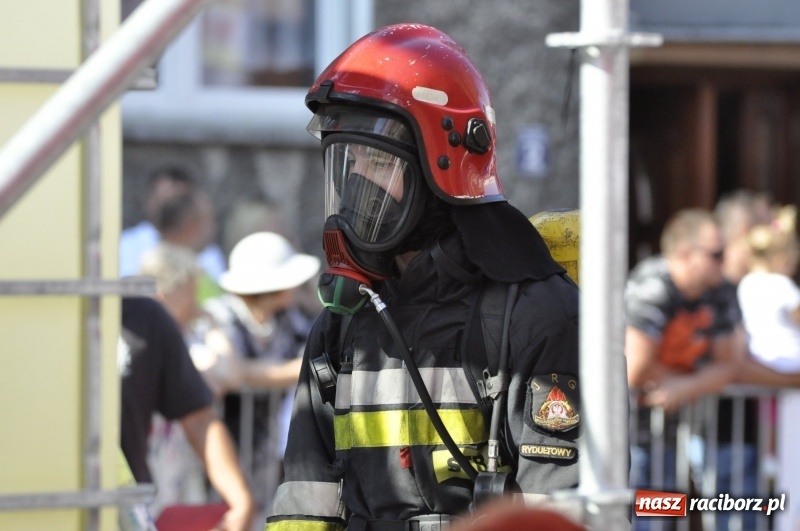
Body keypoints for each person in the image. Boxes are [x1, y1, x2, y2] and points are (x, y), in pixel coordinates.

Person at [266, 23, 584, 530]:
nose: (356, 184)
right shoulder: (344, 324)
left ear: (446, 165)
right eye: (348, 161)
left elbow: (561, 512)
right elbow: (304, 505)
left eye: (377, 159)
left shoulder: (539, 316)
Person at [625, 208, 741, 530]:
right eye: (716, 254)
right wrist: (699, 381)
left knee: (663, 520)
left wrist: (683, 388)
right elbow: (634, 369)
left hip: (674, 432)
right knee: (639, 523)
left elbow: (731, 365)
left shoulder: (719, 290)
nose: (725, 260)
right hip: (631, 433)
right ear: (686, 254)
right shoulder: (653, 285)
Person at [202, 231, 321, 522]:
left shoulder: (289, 318)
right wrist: (289, 371)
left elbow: (319, 355)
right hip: (224, 453)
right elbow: (232, 371)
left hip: (271, 456)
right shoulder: (219, 315)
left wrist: (256, 373)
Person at [118, 296, 255, 531]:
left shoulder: (145, 316)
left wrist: (240, 500)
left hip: (131, 511)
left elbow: (199, 418)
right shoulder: (39, 317)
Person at [119, 166, 227, 290]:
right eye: (164, 198)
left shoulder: (210, 252)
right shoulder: (126, 244)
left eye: (181, 200)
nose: (173, 206)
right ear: (147, 200)